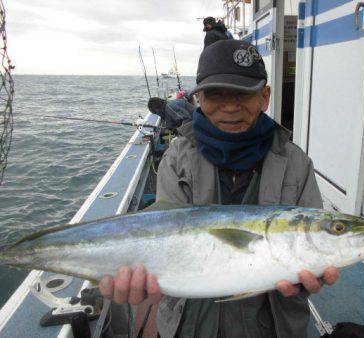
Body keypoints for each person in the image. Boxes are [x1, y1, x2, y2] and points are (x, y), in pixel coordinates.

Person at [99, 39, 340, 337]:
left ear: (264, 97)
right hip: (188, 323)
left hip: (273, 326)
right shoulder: (177, 157)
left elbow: (306, 246)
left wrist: (306, 278)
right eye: (216, 94)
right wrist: (137, 273)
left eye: (243, 94)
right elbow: (164, 232)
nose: (229, 106)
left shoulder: (296, 164)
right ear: (199, 99)